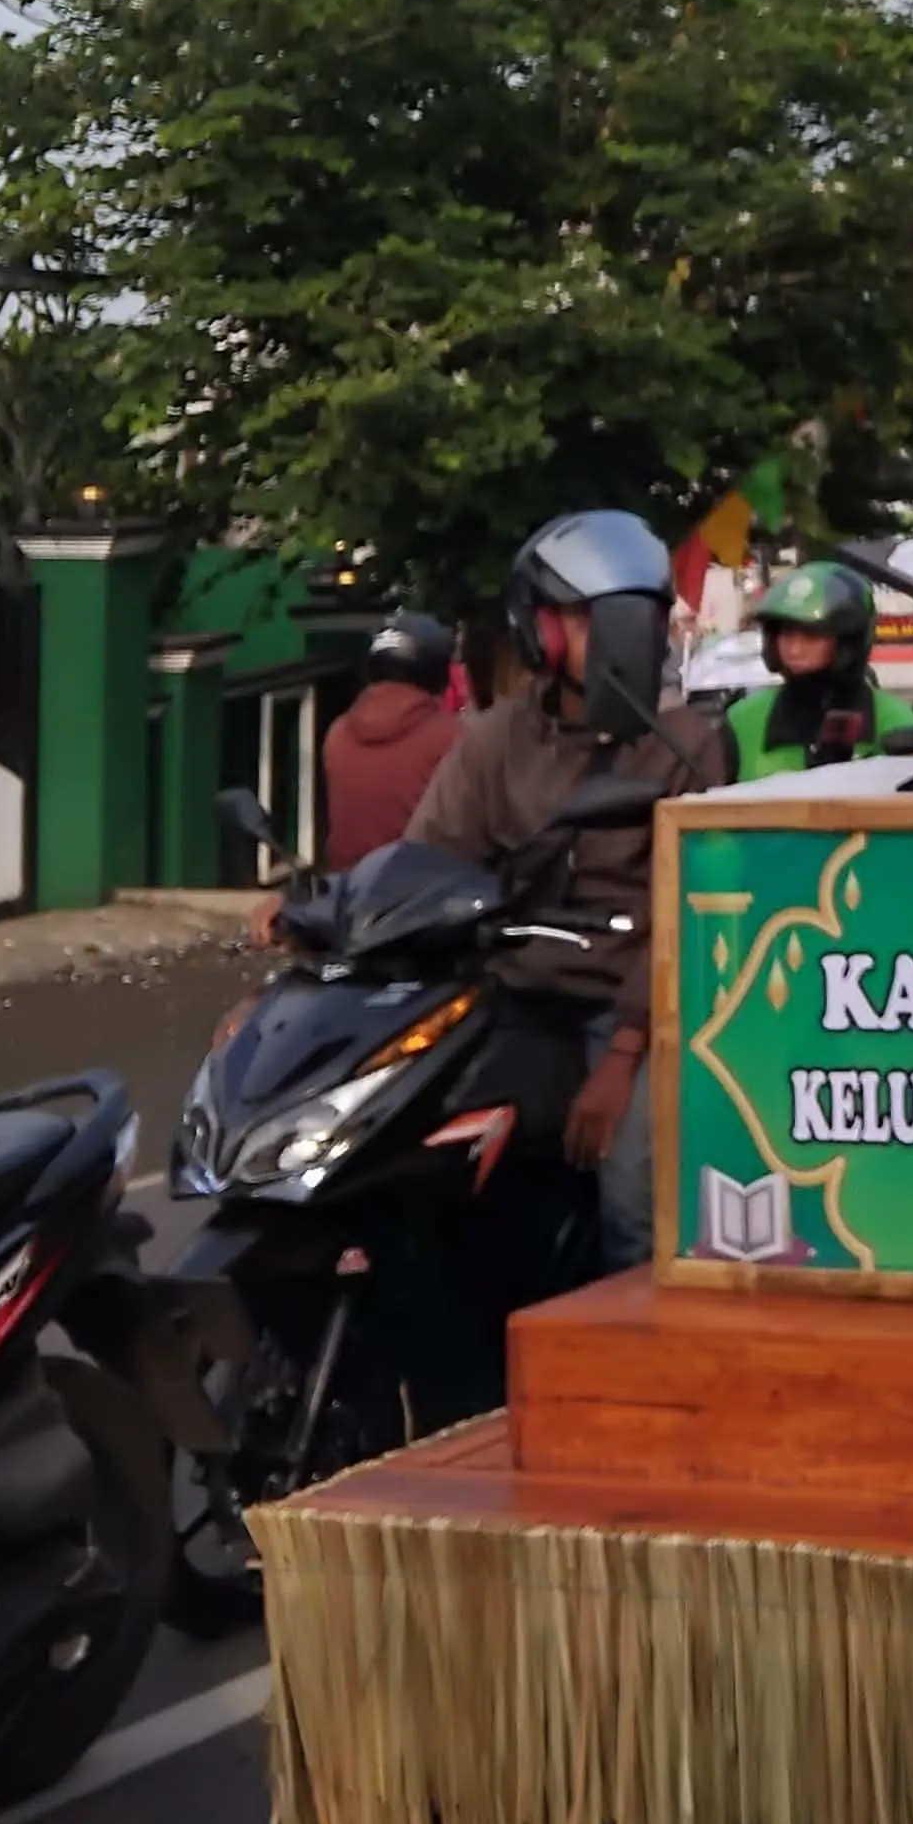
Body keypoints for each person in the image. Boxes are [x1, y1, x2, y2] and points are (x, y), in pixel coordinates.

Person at [406, 509, 729, 1269]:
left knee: (632, 1197)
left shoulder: (686, 745)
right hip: (514, 993)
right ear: (541, 633)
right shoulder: (496, 738)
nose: (614, 639)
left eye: (621, 620)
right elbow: (426, 860)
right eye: (582, 621)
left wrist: (623, 1054)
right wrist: (323, 917)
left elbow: (684, 917)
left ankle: (633, 1335)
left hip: (636, 1007)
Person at [723, 559, 913, 778]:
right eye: (787, 633)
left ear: (847, 642)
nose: (795, 649)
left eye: (812, 635)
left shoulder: (897, 723)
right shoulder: (743, 720)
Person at [318, 612, 465, 868]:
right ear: (438, 674)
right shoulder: (451, 737)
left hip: (351, 887)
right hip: (427, 886)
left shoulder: (338, 734)